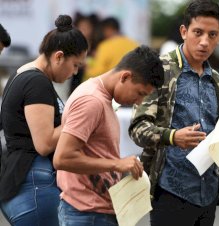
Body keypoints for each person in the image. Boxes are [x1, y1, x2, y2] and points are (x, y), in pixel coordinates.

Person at [129, 1, 219, 226]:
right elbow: (138, 129)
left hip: (207, 190)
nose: (204, 41)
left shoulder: (216, 79)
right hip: (170, 190)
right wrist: (172, 136)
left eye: (212, 34)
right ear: (184, 31)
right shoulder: (160, 70)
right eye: (198, 32)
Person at [52, 45, 164, 226]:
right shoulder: (92, 101)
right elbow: (62, 158)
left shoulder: (101, 96)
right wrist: (116, 164)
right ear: (125, 76)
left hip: (96, 211)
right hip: (87, 214)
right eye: (140, 93)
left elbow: (94, 152)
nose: (139, 101)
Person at [0, 15, 88, 226]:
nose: (74, 73)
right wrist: (80, 117)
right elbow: (44, 143)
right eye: (75, 65)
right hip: (33, 184)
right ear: (58, 57)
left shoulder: (25, 74)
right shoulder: (36, 82)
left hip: (27, 182)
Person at [83, 16, 139, 82]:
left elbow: (97, 72)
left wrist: (87, 67)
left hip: (113, 85)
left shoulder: (105, 46)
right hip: (133, 83)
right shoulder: (134, 44)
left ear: (108, 29)